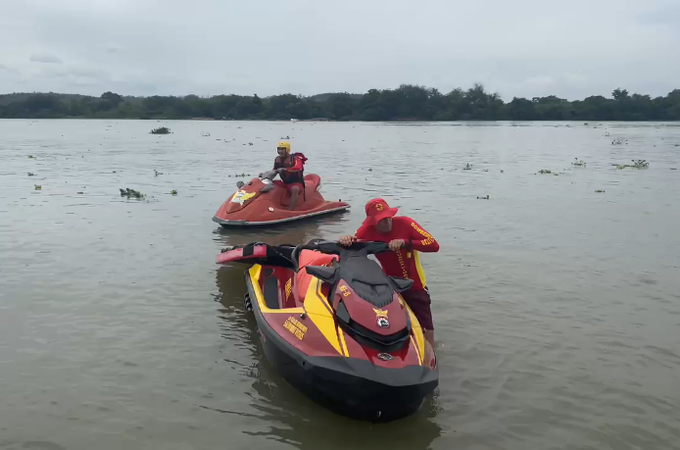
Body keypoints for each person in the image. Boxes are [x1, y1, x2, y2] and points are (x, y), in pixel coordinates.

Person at [339, 198, 440, 348]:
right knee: (392, 324)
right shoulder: (366, 231)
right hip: (390, 286)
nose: (386, 222)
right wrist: (346, 240)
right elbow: (354, 246)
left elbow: (433, 244)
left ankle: (431, 353)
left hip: (415, 285)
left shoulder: (406, 223)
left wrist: (407, 242)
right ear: (372, 221)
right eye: (381, 220)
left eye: (388, 217)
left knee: (426, 326)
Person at [273, 141, 307, 210]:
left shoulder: (295, 159)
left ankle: (291, 210)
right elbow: (274, 170)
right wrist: (264, 176)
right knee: (269, 185)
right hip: (284, 183)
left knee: (295, 189)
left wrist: (285, 170)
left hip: (296, 183)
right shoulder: (277, 159)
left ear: (287, 150)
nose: (280, 151)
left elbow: (298, 167)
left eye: (282, 149)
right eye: (278, 149)